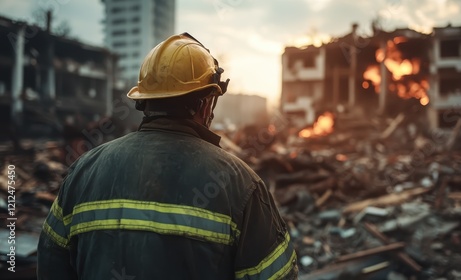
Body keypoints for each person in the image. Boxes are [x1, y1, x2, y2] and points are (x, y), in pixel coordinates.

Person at [37, 32, 298, 280]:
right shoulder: (242, 185)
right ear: (207, 103)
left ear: (143, 101)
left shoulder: (84, 171)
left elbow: (51, 264)